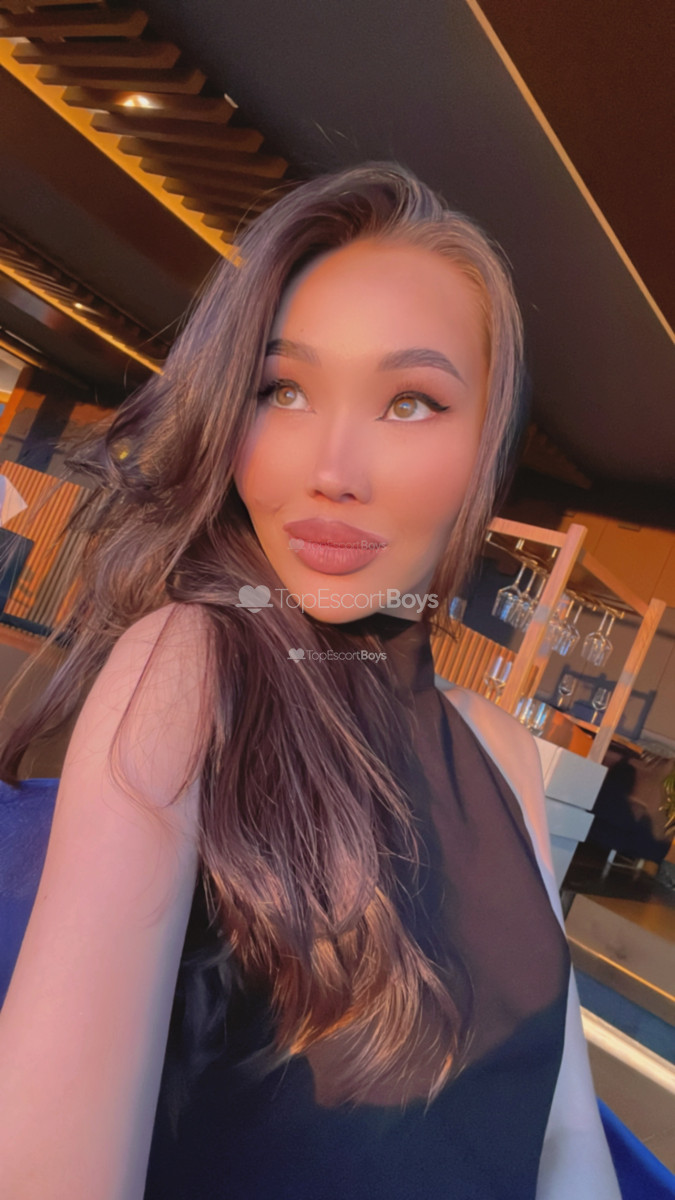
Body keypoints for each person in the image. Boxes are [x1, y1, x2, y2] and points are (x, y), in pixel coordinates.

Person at [0, 163, 620, 1199]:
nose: (333, 468)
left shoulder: (500, 751)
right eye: (281, 390)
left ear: (485, 451)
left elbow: (562, 1144)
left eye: (411, 403)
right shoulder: (191, 668)